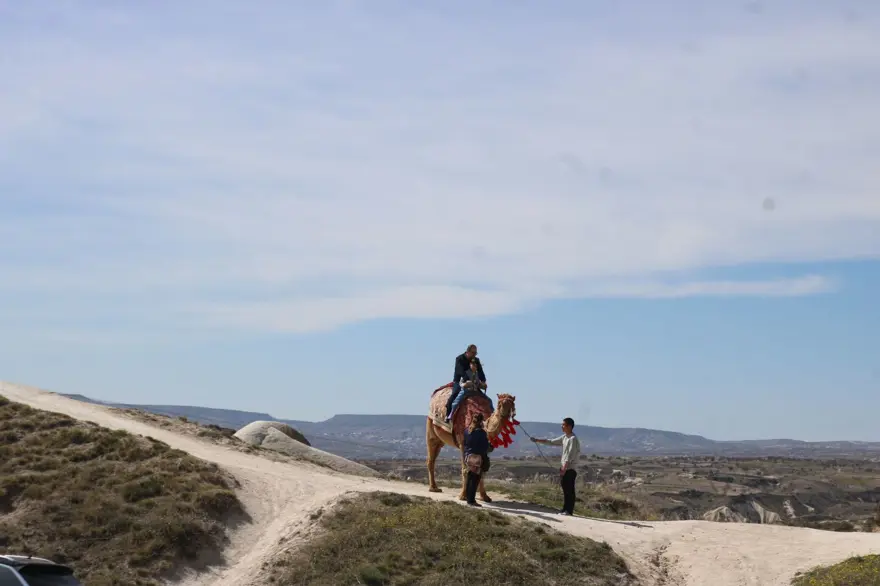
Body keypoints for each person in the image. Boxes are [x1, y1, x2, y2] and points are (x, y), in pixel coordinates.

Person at [531, 417, 581, 515]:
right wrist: (537, 440)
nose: (561, 426)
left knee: (569, 490)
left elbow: (570, 455)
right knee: (565, 489)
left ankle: (569, 510)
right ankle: (564, 509)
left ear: (569, 426)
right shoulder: (564, 437)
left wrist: (564, 468)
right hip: (564, 468)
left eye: (563, 425)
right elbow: (551, 441)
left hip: (570, 469)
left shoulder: (573, 439)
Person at [445, 344, 487, 421]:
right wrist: (467, 379)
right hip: (460, 382)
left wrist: (483, 382)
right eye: (473, 353)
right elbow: (460, 371)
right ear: (468, 351)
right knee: (455, 395)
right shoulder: (459, 359)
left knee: (486, 399)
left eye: (475, 353)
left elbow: (481, 372)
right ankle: (448, 414)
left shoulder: (476, 360)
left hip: (473, 383)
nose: (474, 355)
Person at [463, 413, 490, 507]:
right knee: (475, 480)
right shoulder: (482, 433)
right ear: (481, 421)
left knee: (469, 478)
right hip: (477, 458)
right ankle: (471, 500)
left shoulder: (467, 431)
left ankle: (467, 497)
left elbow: (464, 444)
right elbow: (484, 447)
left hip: (468, 457)